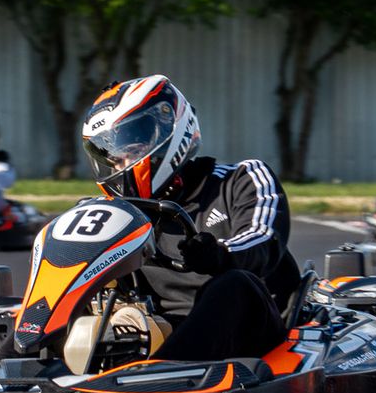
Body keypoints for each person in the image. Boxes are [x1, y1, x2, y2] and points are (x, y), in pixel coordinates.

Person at [79, 75, 300, 363]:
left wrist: (221, 254)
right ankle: (12, 373)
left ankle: (157, 376)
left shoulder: (240, 179)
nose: (121, 165)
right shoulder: (118, 214)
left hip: (253, 333)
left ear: (168, 130)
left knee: (234, 284)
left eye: (130, 152)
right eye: (114, 159)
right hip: (162, 329)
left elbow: (263, 238)